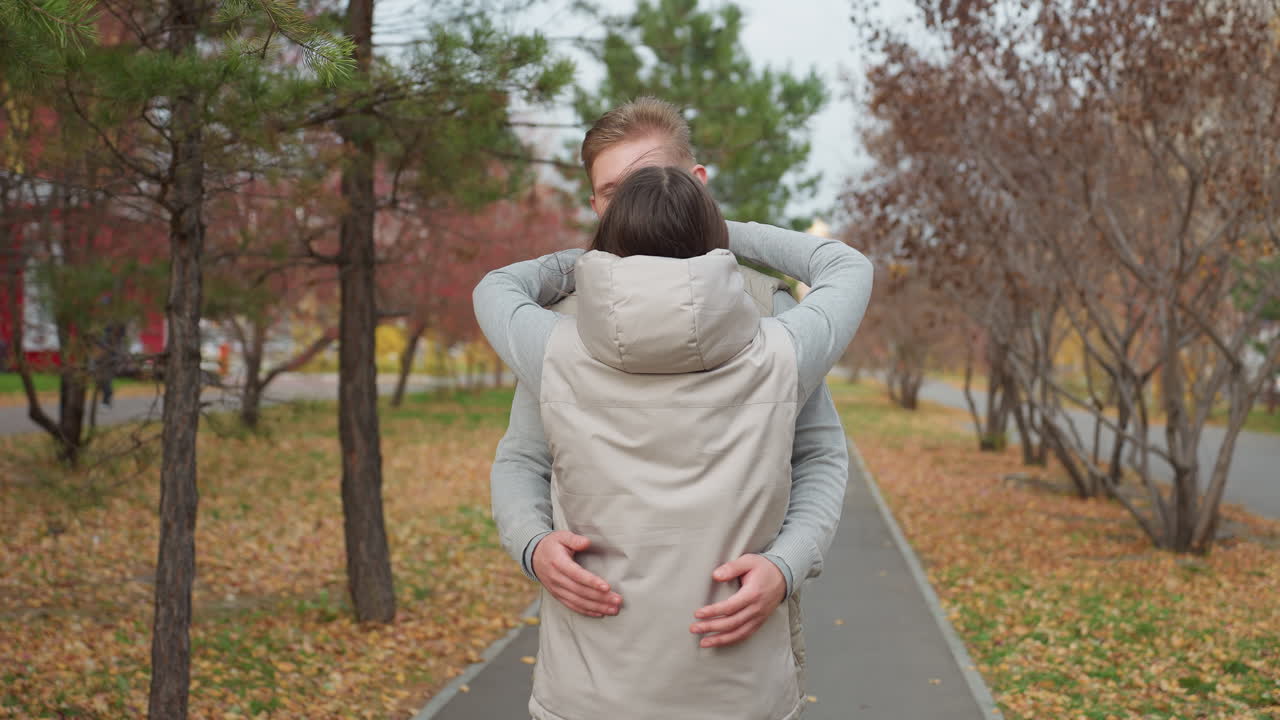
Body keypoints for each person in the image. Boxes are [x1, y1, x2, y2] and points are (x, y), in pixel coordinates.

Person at [472, 164, 873, 719]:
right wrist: (720, 230)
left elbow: (496, 286)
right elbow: (845, 264)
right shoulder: (783, 352)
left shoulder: (552, 350)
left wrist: (590, 253)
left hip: (588, 696)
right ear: (713, 241)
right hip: (741, 695)